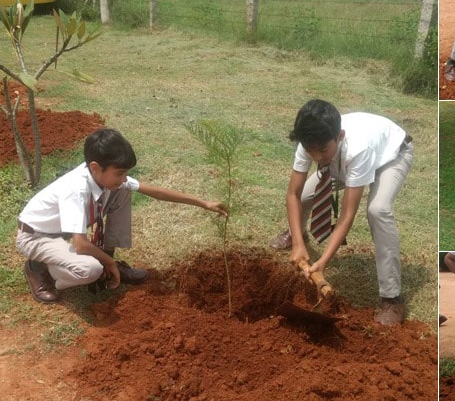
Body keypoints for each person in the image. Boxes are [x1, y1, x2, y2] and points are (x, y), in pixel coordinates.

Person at [16, 129, 229, 304]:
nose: (124, 178)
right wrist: (108, 263)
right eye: (119, 173)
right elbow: (80, 245)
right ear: (95, 168)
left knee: (123, 190)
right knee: (89, 269)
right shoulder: (76, 190)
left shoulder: (104, 179)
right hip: (37, 236)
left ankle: (104, 264)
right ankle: (40, 268)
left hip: (61, 231)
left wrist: (203, 203)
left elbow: (157, 192)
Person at [270, 99, 413, 326]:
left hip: (391, 155)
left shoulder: (359, 149)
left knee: (378, 210)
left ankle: (392, 298)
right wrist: (298, 242)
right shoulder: (312, 141)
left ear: (340, 135)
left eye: (322, 150)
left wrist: (324, 261)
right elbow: (293, 194)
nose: (316, 157)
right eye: (310, 150)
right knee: (306, 194)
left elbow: (347, 214)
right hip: (341, 161)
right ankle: (297, 235)